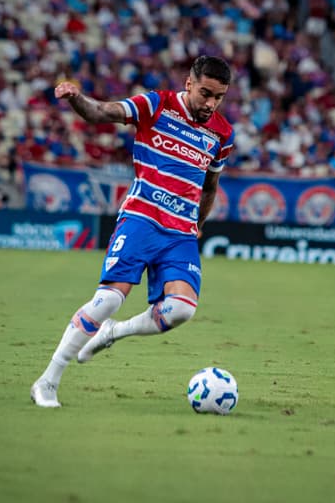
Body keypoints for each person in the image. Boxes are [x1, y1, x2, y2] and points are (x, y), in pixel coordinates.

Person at [31, 56, 234, 408]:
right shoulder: (155, 105)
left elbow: (210, 185)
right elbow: (100, 113)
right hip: (141, 217)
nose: (210, 103)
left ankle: (114, 331)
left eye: (218, 97)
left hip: (180, 232)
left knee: (181, 309)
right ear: (189, 83)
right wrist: (76, 97)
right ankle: (48, 381)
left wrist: (199, 223)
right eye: (205, 93)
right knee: (109, 298)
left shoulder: (222, 133)